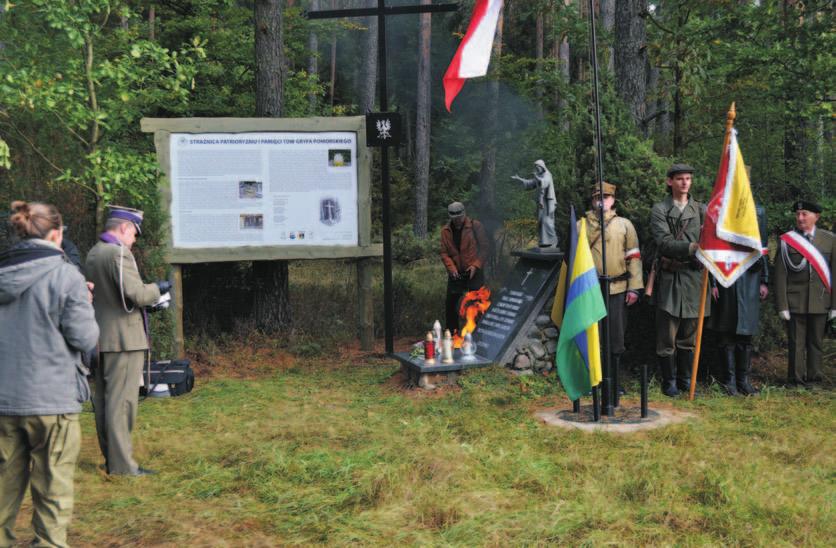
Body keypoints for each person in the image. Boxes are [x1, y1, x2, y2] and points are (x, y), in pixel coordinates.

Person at [0, 201, 99, 547]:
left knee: (2, 488)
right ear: (56, 234)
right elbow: (85, 338)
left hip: (3, 399)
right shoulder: (66, 275)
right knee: (53, 490)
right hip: (52, 400)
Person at [85, 205, 170, 476]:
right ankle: (122, 466)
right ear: (124, 228)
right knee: (123, 404)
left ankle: (112, 459)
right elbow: (137, 295)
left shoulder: (94, 252)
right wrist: (159, 289)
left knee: (105, 402)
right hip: (123, 340)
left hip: (99, 338)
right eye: (134, 233)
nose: (134, 240)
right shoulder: (119, 253)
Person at [650, 163, 711, 397]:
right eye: (679, 179)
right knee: (667, 334)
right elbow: (663, 242)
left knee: (690, 334)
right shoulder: (660, 209)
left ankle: (686, 379)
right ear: (669, 182)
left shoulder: (701, 210)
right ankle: (669, 381)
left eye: (688, 178)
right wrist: (693, 247)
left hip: (695, 277)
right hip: (670, 277)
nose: (685, 183)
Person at [583, 182, 643, 398]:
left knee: (615, 338)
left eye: (606, 197)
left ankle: (614, 380)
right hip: (590, 290)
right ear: (592, 200)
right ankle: (593, 381)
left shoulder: (625, 225)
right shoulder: (583, 225)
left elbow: (634, 258)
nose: (602, 201)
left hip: (617, 288)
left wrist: (634, 288)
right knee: (593, 336)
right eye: (598, 197)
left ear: (613, 200)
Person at [707, 205, 769, 395]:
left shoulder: (757, 213)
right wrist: (713, 283)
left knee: (745, 334)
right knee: (726, 333)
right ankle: (729, 381)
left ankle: (743, 380)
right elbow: (712, 251)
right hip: (727, 279)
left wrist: (764, 280)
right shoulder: (720, 214)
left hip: (750, 281)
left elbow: (763, 250)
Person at [774, 200, 834, 387]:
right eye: (798, 214)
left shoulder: (830, 239)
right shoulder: (786, 241)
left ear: (816, 217)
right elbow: (780, 275)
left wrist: (834, 305)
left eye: (804, 214)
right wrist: (782, 305)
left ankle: (815, 379)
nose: (800, 218)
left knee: (816, 342)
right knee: (796, 342)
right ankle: (795, 380)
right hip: (795, 300)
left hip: (821, 299)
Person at [440, 202, 489, 333]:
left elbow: (484, 248)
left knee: (478, 305)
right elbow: (444, 253)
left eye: (459, 217)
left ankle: (480, 335)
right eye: (454, 218)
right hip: (456, 273)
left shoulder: (475, 226)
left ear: (464, 214)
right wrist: (452, 269)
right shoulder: (445, 231)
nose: (457, 220)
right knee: (451, 305)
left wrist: (475, 265)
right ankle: (452, 336)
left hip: (474, 272)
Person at [512, 160, 558, 248]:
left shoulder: (547, 175)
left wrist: (536, 177)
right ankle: (544, 243)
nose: (536, 170)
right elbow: (530, 183)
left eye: (538, 168)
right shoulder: (539, 176)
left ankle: (553, 241)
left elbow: (543, 183)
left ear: (542, 167)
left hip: (548, 202)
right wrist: (519, 179)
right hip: (541, 203)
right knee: (541, 222)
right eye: (536, 168)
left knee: (547, 221)